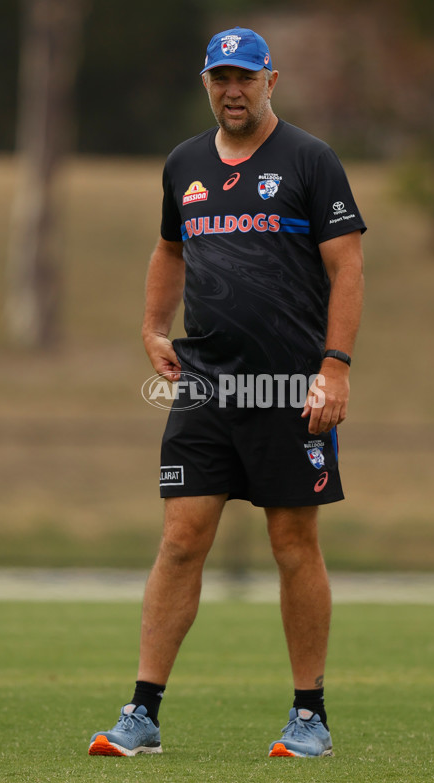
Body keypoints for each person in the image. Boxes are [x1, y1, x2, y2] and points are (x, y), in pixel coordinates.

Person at [89, 25, 366, 759]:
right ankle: (141, 713)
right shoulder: (184, 163)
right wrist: (153, 327)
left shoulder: (310, 161)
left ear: (271, 79)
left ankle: (310, 716)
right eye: (221, 78)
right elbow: (169, 247)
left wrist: (334, 366)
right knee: (181, 539)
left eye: (246, 77)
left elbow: (348, 269)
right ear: (206, 82)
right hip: (206, 386)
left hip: (289, 387)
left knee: (291, 542)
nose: (233, 90)